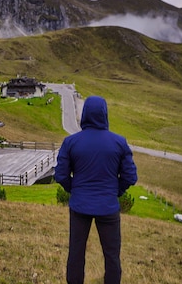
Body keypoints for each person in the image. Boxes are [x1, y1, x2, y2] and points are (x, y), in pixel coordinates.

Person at [55, 95, 137, 284]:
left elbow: (60, 174)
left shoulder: (71, 142)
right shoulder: (119, 142)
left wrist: (74, 189)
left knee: (76, 252)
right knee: (112, 255)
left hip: (80, 206)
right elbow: (130, 177)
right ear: (105, 114)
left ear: (84, 114)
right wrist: (115, 191)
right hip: (108, 206)